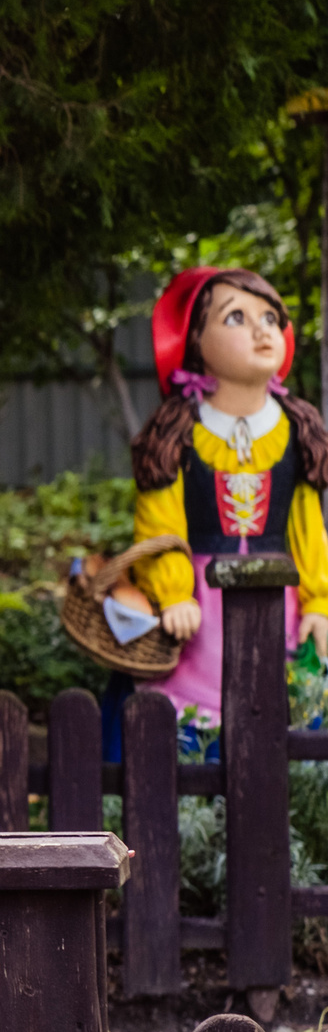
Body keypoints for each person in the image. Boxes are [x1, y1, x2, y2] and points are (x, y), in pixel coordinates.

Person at [128, 265, 328, 759]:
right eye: (236, 317)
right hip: (200, 612)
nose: (262, 330)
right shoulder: (179, 431)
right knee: (194, 723)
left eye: (270, 317)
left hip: (280, 604)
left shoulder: (296, 430)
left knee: (285, 708)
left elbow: (309, 528)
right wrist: (174, 593)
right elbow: (159, 524)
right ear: (195, 340)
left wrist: (319, 603)